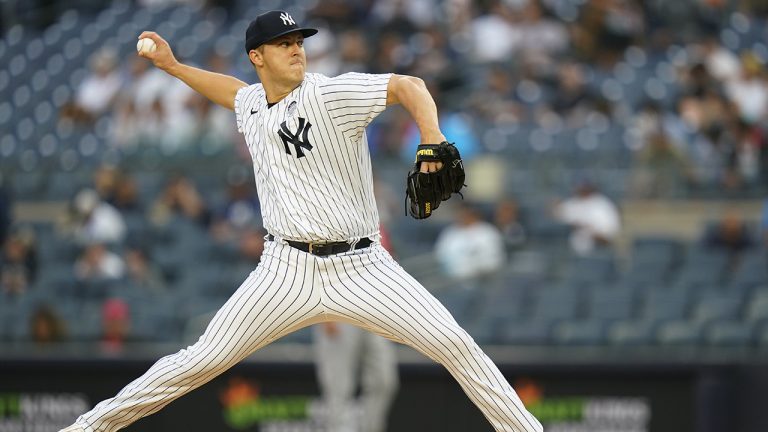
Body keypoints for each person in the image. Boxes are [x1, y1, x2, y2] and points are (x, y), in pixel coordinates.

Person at [61, 10, 542, 432]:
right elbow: (230, 92)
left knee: (455, 343)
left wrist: (432, 137)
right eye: (284, 44)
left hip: (361, 267)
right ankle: (88, 427)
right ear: (257, 57)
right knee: (200, 360)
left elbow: (408, 86)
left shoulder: (330, 95)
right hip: (284, 269)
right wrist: (172, 67)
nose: (297, 51)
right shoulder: (252, 103)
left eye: (299, 43)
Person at [313, 224, 399, 432]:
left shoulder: (372, 218)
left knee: (384, 380)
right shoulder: (327, 217)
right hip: (337, 308)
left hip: (374, 311)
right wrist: (323, 313)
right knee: (339, 387)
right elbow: (312, 263)